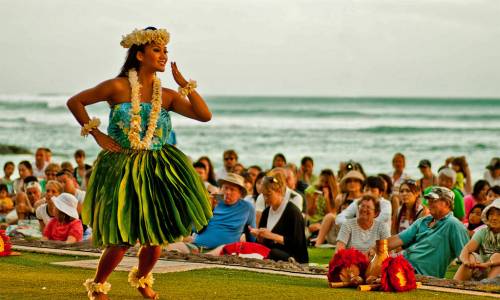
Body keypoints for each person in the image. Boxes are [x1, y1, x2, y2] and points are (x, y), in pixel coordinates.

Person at [67, 27, 213, 300]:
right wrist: (97, 134)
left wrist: (185, 85)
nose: (163, 55)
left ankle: (143, 279)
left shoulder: (167, 94)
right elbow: (75, 101)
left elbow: (204, 115)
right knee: (122, 238)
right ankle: (98, 285)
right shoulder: (117, 86)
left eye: (165, 50)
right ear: (139, 54)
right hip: (121, 168)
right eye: (156, 50)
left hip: (158, 167)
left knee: (156, 237)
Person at [386, 187, 469, 278]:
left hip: (418, 274)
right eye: (429, 200)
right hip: (402, 263)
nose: (429, 203)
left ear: (447, 203)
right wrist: (376, 248)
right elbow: (399, 238)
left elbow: (466, 258)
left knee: (379, 275)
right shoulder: (423, 221)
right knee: (375, 266)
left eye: (433, 200)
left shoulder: (453, 225)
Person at [166, 173, 255, 253]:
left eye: (232, 189)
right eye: (225, 188)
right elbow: (195, 229)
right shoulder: (212, 200)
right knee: (167, 248)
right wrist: (210, 208)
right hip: (197, 246)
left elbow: (252, 235)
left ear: (240, 193)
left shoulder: (247, 207)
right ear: (221, 188)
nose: (228, 192)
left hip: (223, 251)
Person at [250, 173, 308, 263]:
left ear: (279, 191)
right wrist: (259, 236)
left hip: (292, 256)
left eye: (268, 195)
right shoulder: (266, 212)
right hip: (270, 253)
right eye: (263, 195)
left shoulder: (293, 212)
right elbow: (262, 243)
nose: (265, 199)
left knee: (273, 253)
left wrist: (271, 236)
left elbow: (298, 243)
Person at [454, 199, 500, 281]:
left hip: (495, 269)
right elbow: (467, 248)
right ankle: (456, 284)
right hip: (481, 267)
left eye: (499, 215)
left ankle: (489, 286)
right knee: (470, 256)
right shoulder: (483, 231)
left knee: (496, 258)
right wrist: (466, 261)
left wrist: (488, 264)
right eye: (491, 214)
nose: (494, 218)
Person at [305, 169, 339, 244]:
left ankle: (319, 239)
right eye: (322, 181)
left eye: (326, 182)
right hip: (315, 222)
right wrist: (314, 200)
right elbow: (310, 213)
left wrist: (326, 199)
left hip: (328, 222)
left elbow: (330, 214)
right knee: (314, 228)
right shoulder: (311, 190)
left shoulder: (335, 191)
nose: (323, 184)